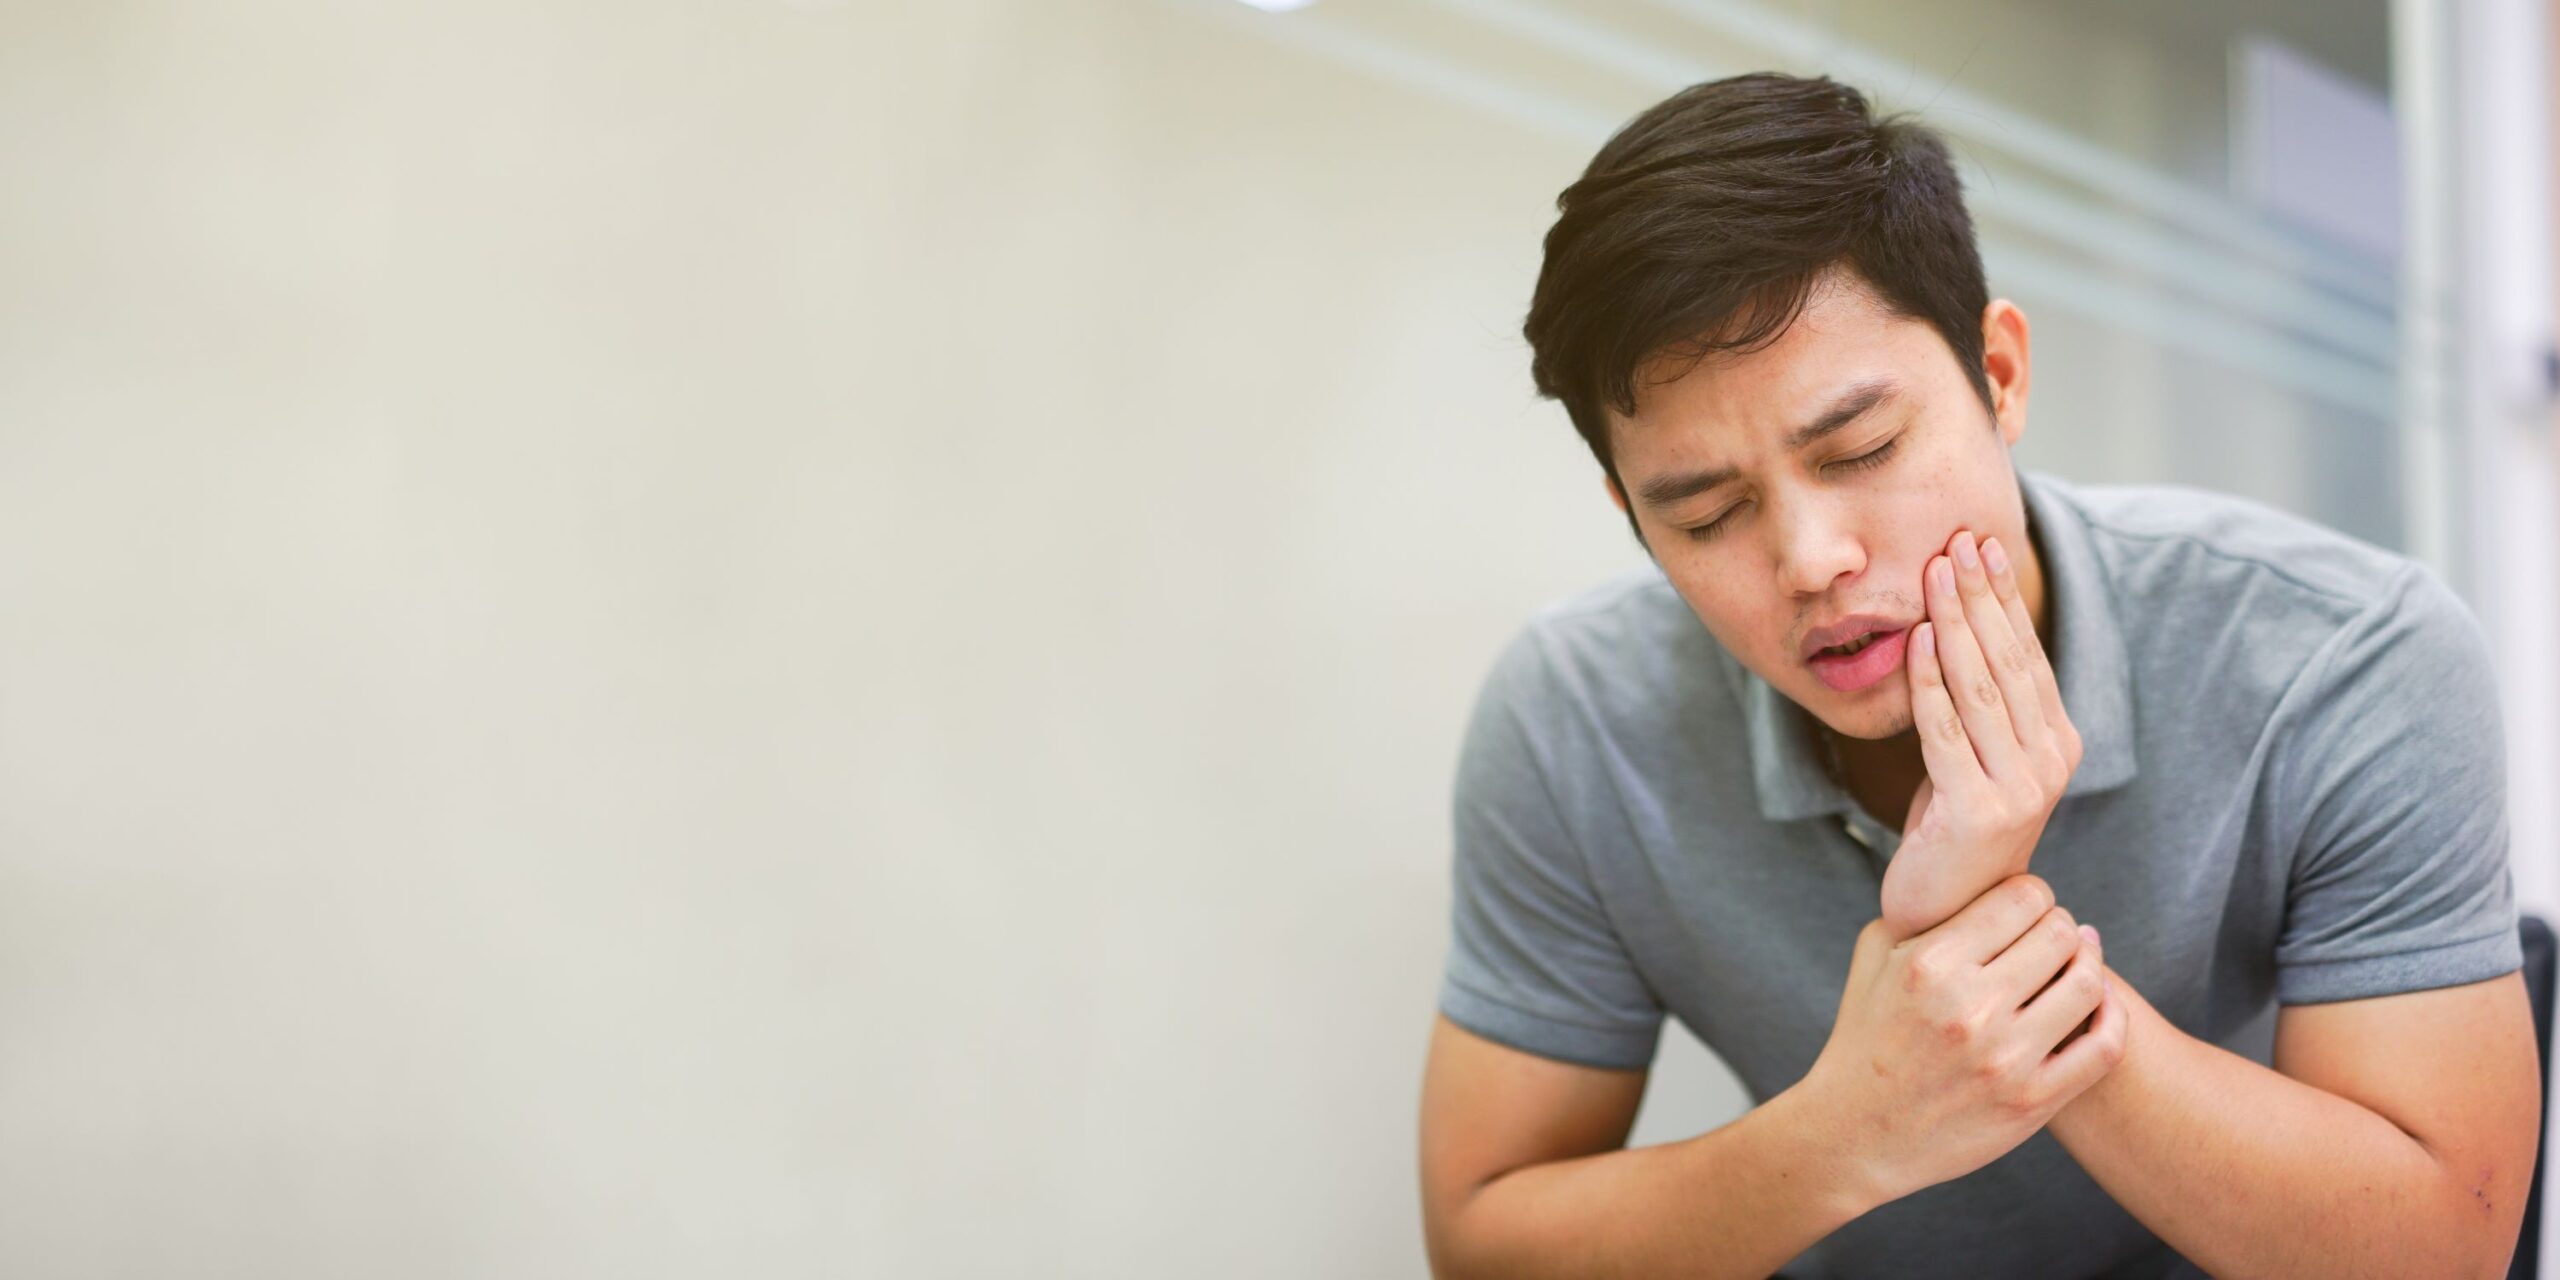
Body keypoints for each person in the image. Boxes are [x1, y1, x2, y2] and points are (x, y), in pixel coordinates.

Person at [1416, 72, 2541, 1279]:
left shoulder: (2342, 654)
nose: (1810, 561)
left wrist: (1983, 934)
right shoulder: (1574, 717)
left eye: (1862, 448)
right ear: (1629, 514)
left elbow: (2437, 1251)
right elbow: (1484, 1238)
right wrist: (1845, 1130)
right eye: (1704, 514)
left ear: (1999, 375)